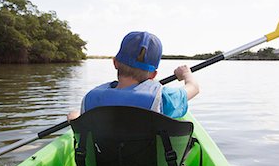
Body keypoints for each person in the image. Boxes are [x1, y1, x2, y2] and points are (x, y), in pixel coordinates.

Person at [67, 31, 199, 121]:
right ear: (153, 75)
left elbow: (79, 124)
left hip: (102, 162)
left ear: (115, 62)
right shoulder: (163, 98)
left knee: (73, 115)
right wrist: (185, 73)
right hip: (147, 162)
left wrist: (74, 117)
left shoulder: (91, 98)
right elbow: (194, 87)